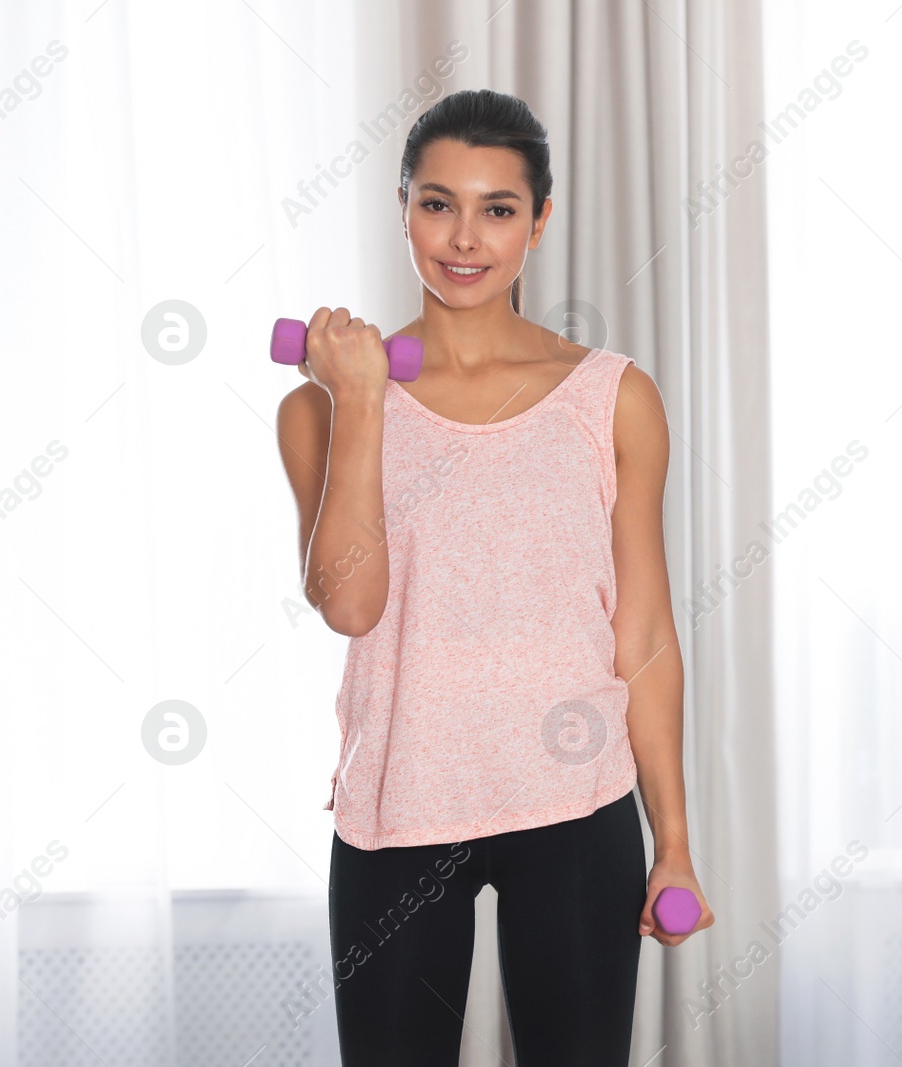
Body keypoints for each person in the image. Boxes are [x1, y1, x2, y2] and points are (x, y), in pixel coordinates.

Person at [274, 88, 710, 1066]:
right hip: (399, 808)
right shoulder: (323, 406)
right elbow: (351, 600)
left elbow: (640, 630)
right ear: (402, 208)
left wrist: (672, 836)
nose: (463, 237)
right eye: (437, 204)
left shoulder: (614, 397)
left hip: (575, 806)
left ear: (539, 221)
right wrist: (363, 402)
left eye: (497, 209)